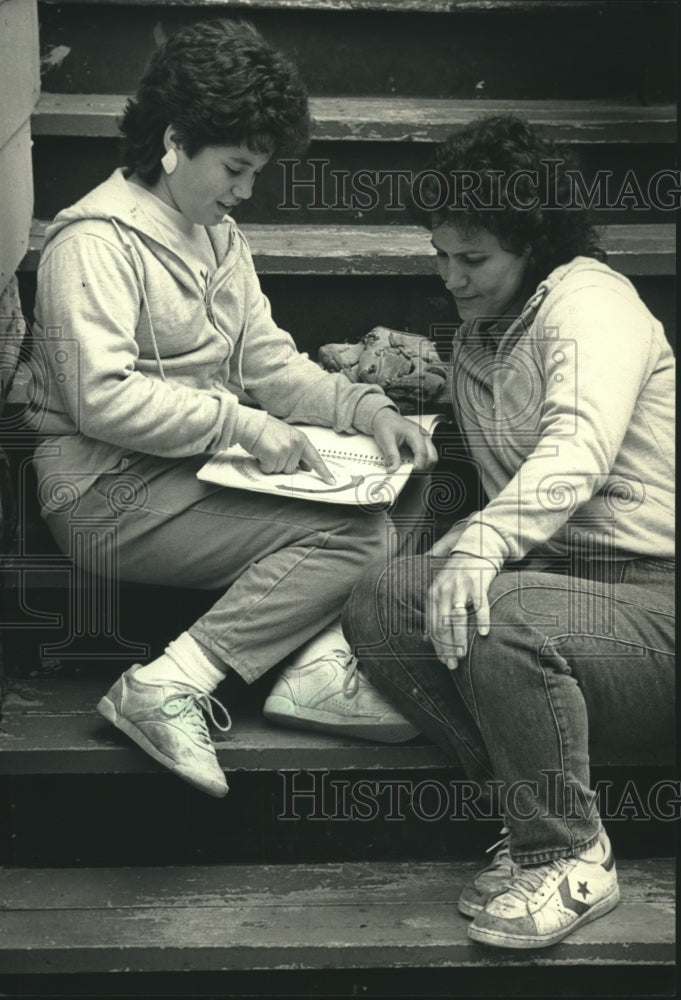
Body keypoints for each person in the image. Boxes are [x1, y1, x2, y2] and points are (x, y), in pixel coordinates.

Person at [27, 19, 437, 798]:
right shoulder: (93, 243)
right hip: (104, 488)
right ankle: (168, 685)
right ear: (174, 141)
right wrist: (240, 424)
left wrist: (364, 408)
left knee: (405, 478)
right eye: (236, 168)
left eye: (256, 172)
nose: (245, 191)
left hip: (193, 469)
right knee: (356, 539)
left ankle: (315, 667)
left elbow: (269, 364)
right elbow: (99, 397)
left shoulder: (218, 236)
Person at [343, 114, 675, 949]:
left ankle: (571, 854)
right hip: (560, 592)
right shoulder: (478, 339)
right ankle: (526, 812)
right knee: (383, 597)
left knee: (499, 610)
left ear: (531, 244)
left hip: (655, 604)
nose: (450, 277)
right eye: (440, 255)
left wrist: (483, 544)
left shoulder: (591, 305)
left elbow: (576, 446)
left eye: (473, 259)